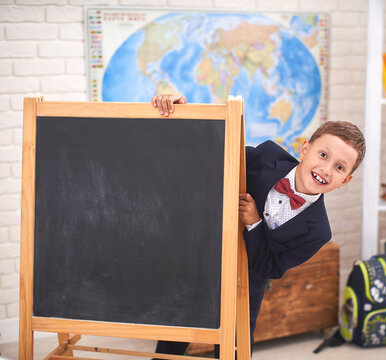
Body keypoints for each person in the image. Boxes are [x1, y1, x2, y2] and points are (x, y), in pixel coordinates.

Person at [151, 94, 366, 358]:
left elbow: (270, 268)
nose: (326, 169)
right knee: (176, 334)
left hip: (245, 289)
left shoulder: (318, 232)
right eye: (323, 154)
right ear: (305, 149)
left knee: (235, 350)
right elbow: (217, 153)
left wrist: (254, 223)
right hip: (202, 264)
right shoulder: (267, 155)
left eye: (340, 167)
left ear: (345, 180)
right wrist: (186, 114)